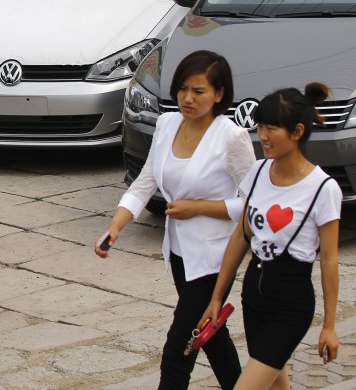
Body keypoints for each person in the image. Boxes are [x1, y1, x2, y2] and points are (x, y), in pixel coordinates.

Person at [96, 50, 255, 389]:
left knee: (177, 349)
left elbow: (253, 203)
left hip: (216, 258)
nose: (187, 98)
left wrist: (198, 208)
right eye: (183, 89)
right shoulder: (168, 124)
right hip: (181, 253)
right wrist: (116, 225)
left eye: (199, 91)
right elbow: (146, 181)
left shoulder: (231, 137)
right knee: (211, 333)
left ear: (219, 94)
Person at [199, 83, 342, 390]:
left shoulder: (323, 188)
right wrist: (216, 298)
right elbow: (239, 239)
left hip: (291, 305)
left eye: (272, 128)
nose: (262, 135)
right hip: (253, 299)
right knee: (277, 386)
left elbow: (330, 261)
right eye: (260, 126)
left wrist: (329, 326)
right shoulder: (258, 173)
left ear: (297, 131)